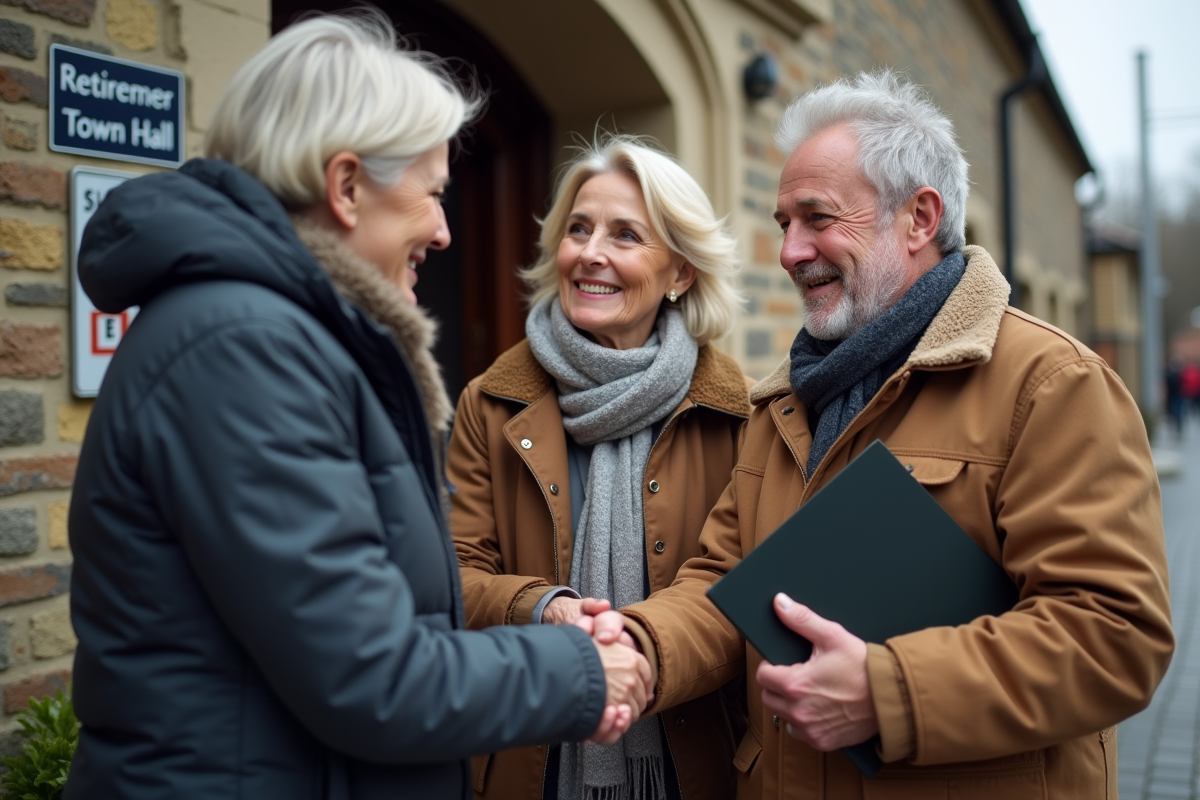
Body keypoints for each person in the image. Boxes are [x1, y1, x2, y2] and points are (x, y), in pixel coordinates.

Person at [65, 14, 653, 800]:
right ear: (345, 186)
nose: (445, 232)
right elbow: (369, 676)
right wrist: (582, 670)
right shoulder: (245, 349)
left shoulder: (277, 336)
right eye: (432, 194)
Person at [590, 71, 1174, 799]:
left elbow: (1114, 638)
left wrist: (888, 690)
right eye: (783, 224)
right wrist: (638, 646)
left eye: (818, 218)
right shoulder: (780, 405)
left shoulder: (1050, 384)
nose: (791, 252)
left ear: (919, 218)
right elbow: (722, 583)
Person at [450, 135, 748, 800]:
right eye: (578, 230)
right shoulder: (490, 404)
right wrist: (543, 609)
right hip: (525, 754)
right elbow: (449, 574)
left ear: (679, 273)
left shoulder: (739, 416)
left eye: (625, 235)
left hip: (690, 758)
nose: (591, 253)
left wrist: (639, 645)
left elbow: (741, 587)